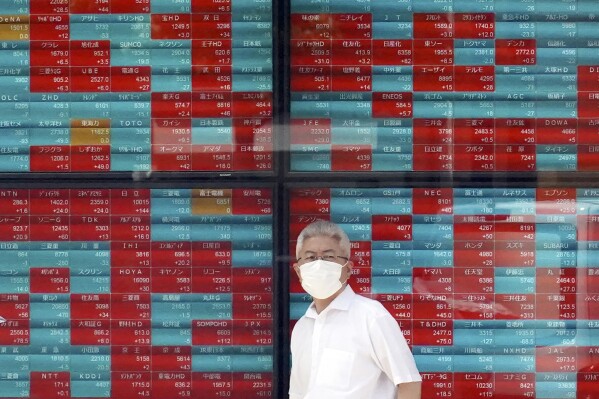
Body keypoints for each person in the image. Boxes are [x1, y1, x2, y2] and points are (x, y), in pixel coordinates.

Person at [289, 220, 422, 399]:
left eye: (328, 257)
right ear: (298, 271)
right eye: (311, 257)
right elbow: (298, 393)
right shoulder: (301, 328)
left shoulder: (372, 317)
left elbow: (409, 383)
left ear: (348, 269)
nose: (319, 264)